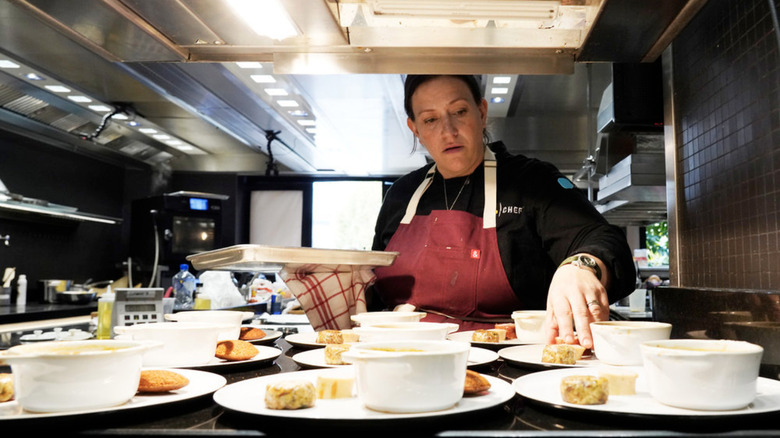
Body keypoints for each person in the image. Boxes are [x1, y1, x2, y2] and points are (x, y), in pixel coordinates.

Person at [369, 74, 636, 349]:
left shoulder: (533, 182)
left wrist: (582, 267)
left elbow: (604, 239)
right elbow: (372, 287)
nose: (448, 131)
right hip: (406, 357)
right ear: (415, 129)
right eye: (430, 120)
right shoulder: (401, 195)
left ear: (481, 112)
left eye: (459, 112)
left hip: (510, 366)